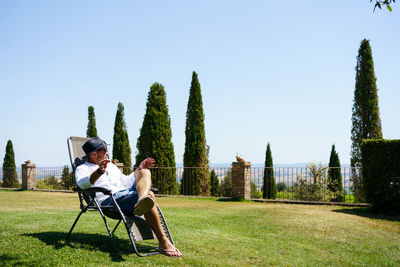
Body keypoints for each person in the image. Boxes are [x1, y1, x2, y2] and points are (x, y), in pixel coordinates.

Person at [75, 137, 182, 257]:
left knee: (145, 172)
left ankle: (141, 200)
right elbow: (82, 184)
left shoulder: (110, 166)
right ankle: (163, 241)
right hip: (109, 200)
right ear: (94, 154)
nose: (107, 152)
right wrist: (99, 171)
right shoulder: (82, 168)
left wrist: (140, 169)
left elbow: (125, 181)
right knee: (150, 195)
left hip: (124, 194)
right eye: (104, 149)